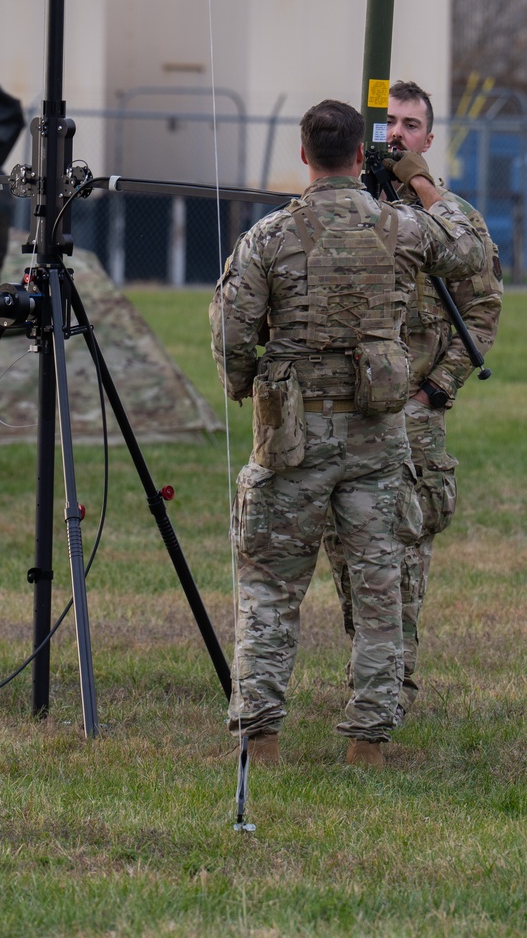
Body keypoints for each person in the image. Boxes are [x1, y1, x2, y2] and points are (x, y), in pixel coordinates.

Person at [210, 100, 486, 766]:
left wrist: (245, 383)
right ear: (362, 157)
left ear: (303, 156)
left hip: (290, 436)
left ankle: (262, 738)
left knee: (270, 588)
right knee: (378, 587)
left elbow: (231, 331)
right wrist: (422, 181)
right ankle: (369, 742)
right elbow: (472, 250)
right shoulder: (402, 227)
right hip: (376, 437)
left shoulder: (270, 236)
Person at [322, 81, 502, 724]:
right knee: (345, 552)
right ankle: (370, 662)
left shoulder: (446, 218)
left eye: (410, 125)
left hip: (411, 415)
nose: (396, 134)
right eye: (387, 123)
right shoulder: (349, 210)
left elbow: (479, 308)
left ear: (428, 137)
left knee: (403, 551)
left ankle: (393, 680)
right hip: (345, 411)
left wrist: (436, 388)